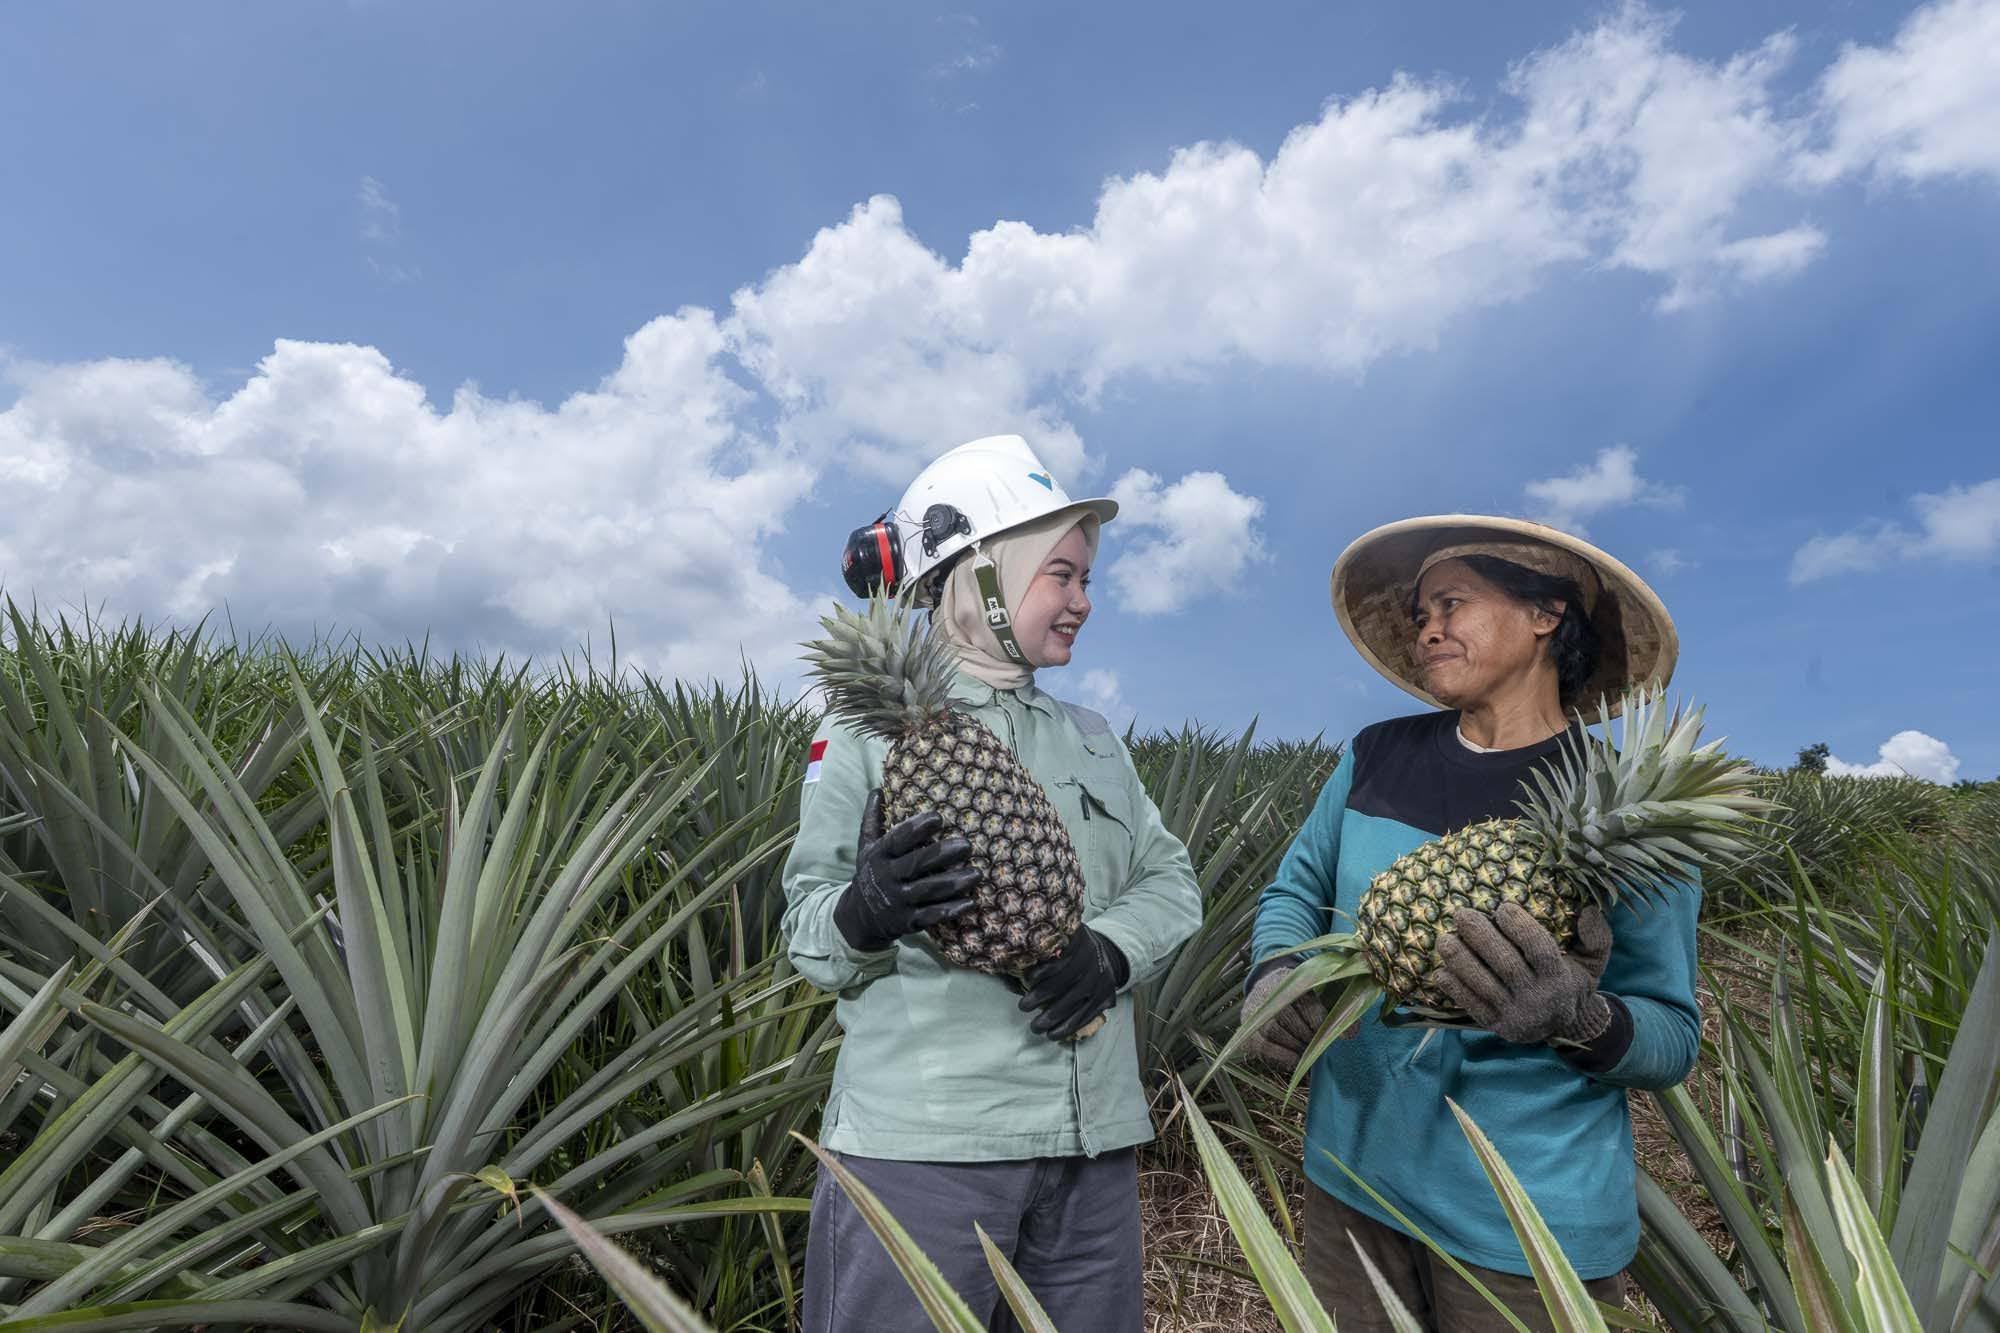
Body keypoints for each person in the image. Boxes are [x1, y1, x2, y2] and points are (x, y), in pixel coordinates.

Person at [783, 433, 1203, 1333]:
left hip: (1094, 1157)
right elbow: (806, 929)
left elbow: (1172, 880)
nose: (1084, 601)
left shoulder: (1094, 737)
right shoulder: (864, 734)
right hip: (925, 1154)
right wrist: (863, 911)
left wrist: (1111, 950)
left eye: (1087, 579)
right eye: (1063, 574)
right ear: (979, 575)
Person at [1241, 514, 1698, 1331]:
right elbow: (1292, 892)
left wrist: (1580, 1017)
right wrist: (1275, 970)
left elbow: (1671, 1033)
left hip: (1526, 1223)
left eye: (1450, 602)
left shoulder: (1624, 807)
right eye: (1420, 614)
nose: (1428, 628)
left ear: (1545, 614)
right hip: (1352, 1182)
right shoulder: (1376, 754)